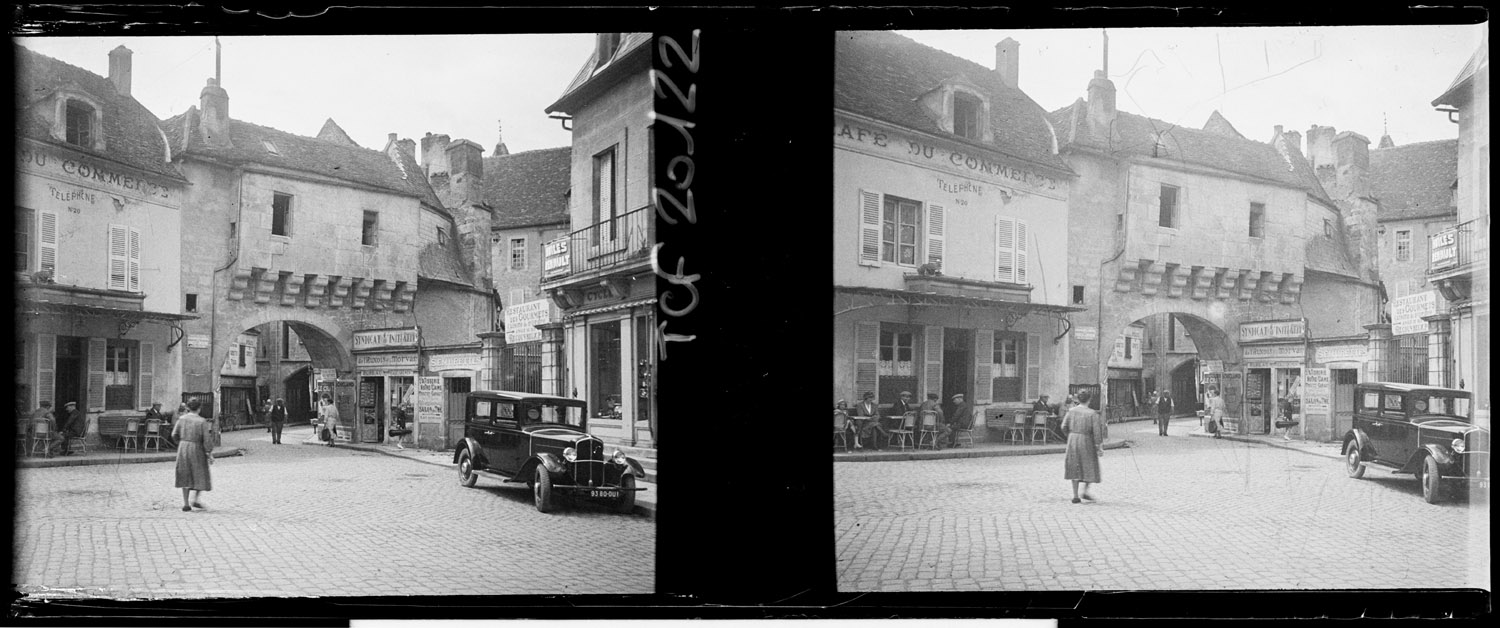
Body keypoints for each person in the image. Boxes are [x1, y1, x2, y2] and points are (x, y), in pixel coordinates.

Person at [1062, 389, 1107, 503]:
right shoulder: (1092, 413)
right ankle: (1085, 491)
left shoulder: (1071, 411)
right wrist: (1098, 446)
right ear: (1089, 400)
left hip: (1072, 439)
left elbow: (1063, 426)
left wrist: (1070, 435)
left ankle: (1075, 495)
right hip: (1086, 440)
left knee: (1074, 465)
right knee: (1090, 465)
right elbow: (1097, 432)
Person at [172, 397, 213, 512]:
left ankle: (186, 504)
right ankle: (195, 499)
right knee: (200, 473)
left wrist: (181, 443)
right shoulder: (202, 421)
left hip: (183, 447)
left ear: (188, 408)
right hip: (197, 448)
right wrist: (209, 452)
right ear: (199, 409)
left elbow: (174, 434)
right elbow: (206, 439)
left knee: (184, 473)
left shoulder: (181, 419)